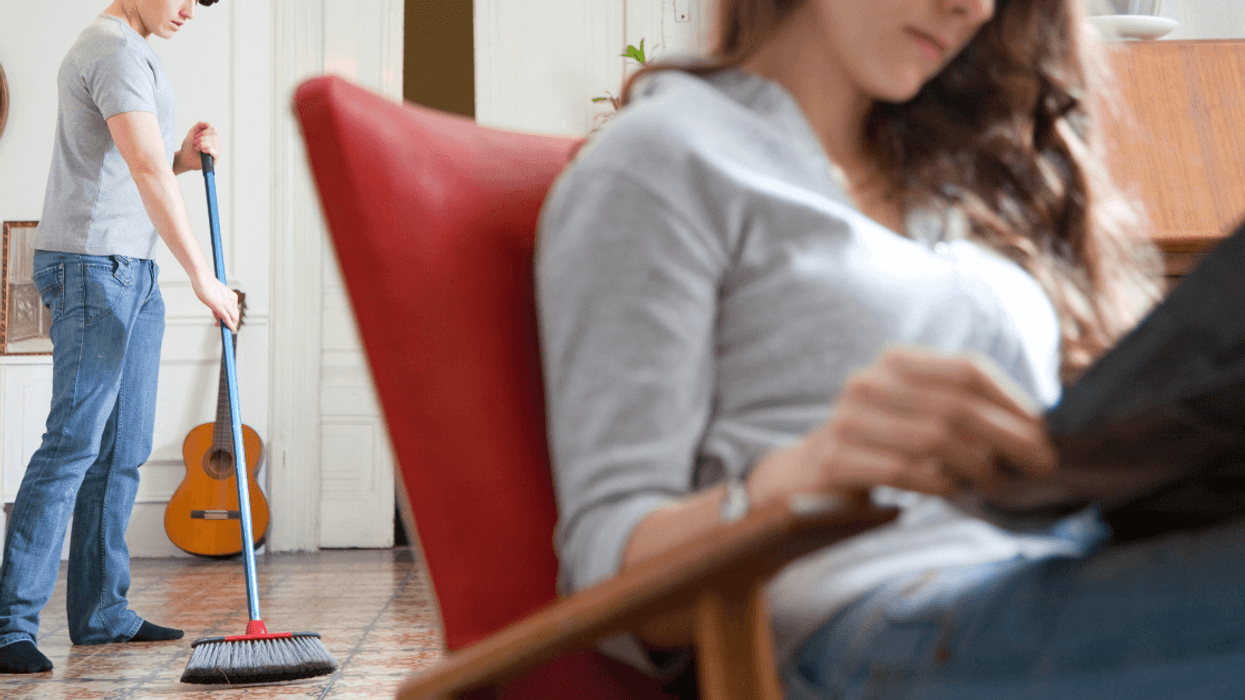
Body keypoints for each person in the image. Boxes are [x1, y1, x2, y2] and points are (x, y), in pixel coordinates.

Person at [536, 0, 1245, 697]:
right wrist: (801, 474)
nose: (971, 8)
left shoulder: (955, 187)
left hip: (1051, 569)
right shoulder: (662, 160)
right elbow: (608, 575)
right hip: (871, 625)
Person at [0, 0, 238, 674]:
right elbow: (142, 171)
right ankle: (8, 624)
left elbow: (137, 160)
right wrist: (205, 276)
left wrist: (183, 158)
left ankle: (102, 610)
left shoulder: (135, 52)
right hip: (91, 268)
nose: (192, 9)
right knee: (74, 441)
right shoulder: (109, 49)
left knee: (123, 446)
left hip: (130, 265)